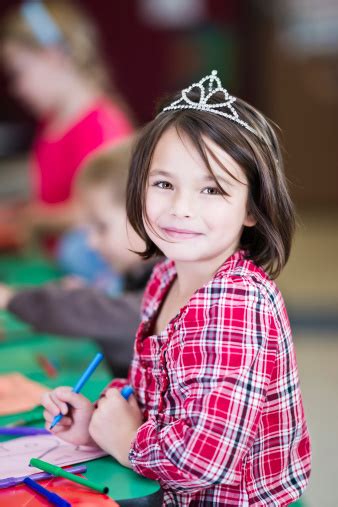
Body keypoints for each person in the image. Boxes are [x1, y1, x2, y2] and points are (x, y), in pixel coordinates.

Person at [41, 71, 311, 506]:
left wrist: (126, 442)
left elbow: (202, 462)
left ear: (252, 210)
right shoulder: (166, 277)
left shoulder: (237, 307)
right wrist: (96, 426)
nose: (181, 208)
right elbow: (155, 399)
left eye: (212, 189)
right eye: (164, 184)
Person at [0, 0, 133, 283]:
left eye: (19, 72)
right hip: (57, 264)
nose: (17, 88)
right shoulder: (51, 123)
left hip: (95, 272)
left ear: (53, 56)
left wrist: (32, 218)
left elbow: (96, 212)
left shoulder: (100, 124)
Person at [0, 138, 152, 377]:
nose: (91, 241)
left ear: (149, 217)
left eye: (101, 227)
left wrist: (11, 298)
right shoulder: (138, 273)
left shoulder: (172, 285)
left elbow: (107, 316)